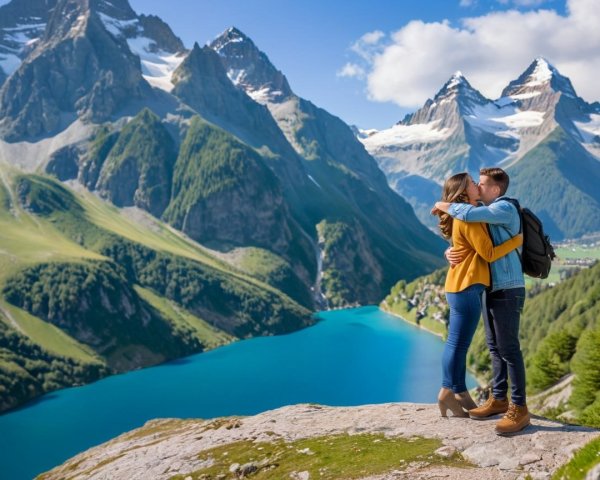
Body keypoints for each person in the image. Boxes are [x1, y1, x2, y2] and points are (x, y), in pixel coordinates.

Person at [433, 167, 530, 436]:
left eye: (482, 183)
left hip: (505, 287)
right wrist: (450, 250)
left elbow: (477, 238)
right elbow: (473, 244)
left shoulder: (502, 208)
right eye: (475, 183)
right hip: (483, 287)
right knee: (490, 346)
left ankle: (518, 407)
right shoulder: (474, 215)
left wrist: (445, 205)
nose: (478, 185)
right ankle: (496, 398)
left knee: (507, 348)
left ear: (495, 190)